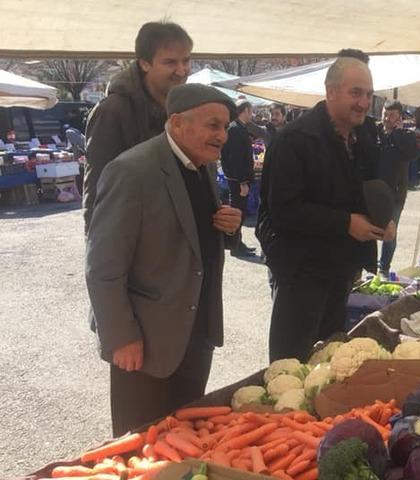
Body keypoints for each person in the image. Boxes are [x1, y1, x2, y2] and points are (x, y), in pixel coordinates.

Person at [86, 84, 241, 435]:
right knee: (139, 443)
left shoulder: (201, 166)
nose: (222, 136)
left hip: (196, 336)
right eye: (213, 125)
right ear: (177, 122)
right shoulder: (131, 170)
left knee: (184, 436)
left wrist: (227, 227)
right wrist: (121, 336)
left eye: (226, 127)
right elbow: (102, 267)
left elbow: (192, 236)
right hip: (144, 343)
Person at [257, 51, 394, 363]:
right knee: (290, 362)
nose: (364, 102)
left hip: (342, 267)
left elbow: (369, 187)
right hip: (301, 269)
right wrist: (346, 223)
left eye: (369, 94)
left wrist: (382, 219)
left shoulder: (364, 136)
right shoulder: (295, 140)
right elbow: (283, 210)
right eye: (355, 92)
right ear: (331, 91)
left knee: (329, 355)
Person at [83, 21, 192, 234]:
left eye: (186, 60)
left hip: (178, 240)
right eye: (170, 62)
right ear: (144, 64)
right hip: (135, 239)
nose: (181, 71)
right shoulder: (113, 111)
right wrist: (103, 257)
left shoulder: (184, 108)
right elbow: (97, 191)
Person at [377, 101, 417, 276]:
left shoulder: (406, 135)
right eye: (385, 114)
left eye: (391, 115)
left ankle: (383, 268)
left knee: (390, 230)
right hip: (373, 191)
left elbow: (412, 153)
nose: (387, 118)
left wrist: (397, 133)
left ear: (399, 117)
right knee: (368, 229)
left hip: (395, 193)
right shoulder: (375, 132)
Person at [220, 100, 257, 257]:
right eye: (251, 111)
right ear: (245, 111)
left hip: (239, 178)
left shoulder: (239, 128)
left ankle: (237, 242)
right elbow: (235, 158)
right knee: (237, 212)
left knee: (240, 212)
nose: (252, 114)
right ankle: (235, 245)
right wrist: (242, 182)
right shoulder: (235, 130)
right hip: (237, 180)